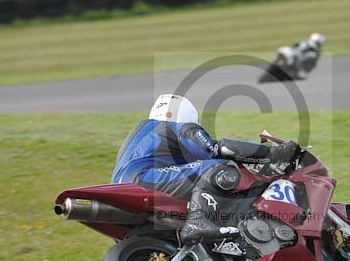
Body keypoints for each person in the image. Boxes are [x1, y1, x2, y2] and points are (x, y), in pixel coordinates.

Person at [111, 94, 299, 244]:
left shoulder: (141, 135)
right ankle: (198, 221)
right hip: (145, 178)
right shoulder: (177, 127)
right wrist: (270, 153)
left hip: (120, 187)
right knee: (220, 167)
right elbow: (218, 150)